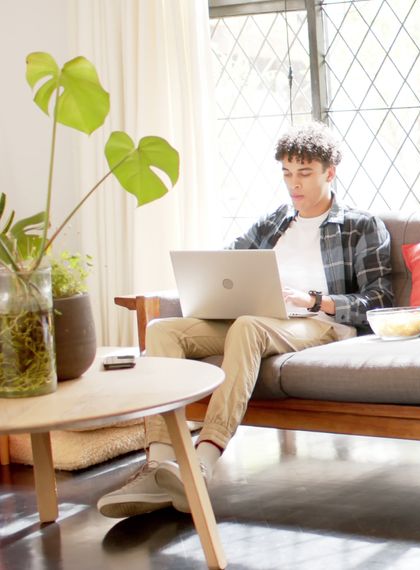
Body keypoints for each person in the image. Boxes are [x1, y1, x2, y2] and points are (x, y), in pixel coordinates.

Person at [97, 122, 393, 518]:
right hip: (257, 317)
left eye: (305, 173)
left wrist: (315, 300)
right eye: (287, 173)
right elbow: (225, 265)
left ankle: (201, 463)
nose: (295, 184)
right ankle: (159, 465)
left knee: (248, 326)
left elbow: (379, 300)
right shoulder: (272, 223)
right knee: (162, 331)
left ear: (329, 172)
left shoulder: (360, 225)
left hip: (319, 323)